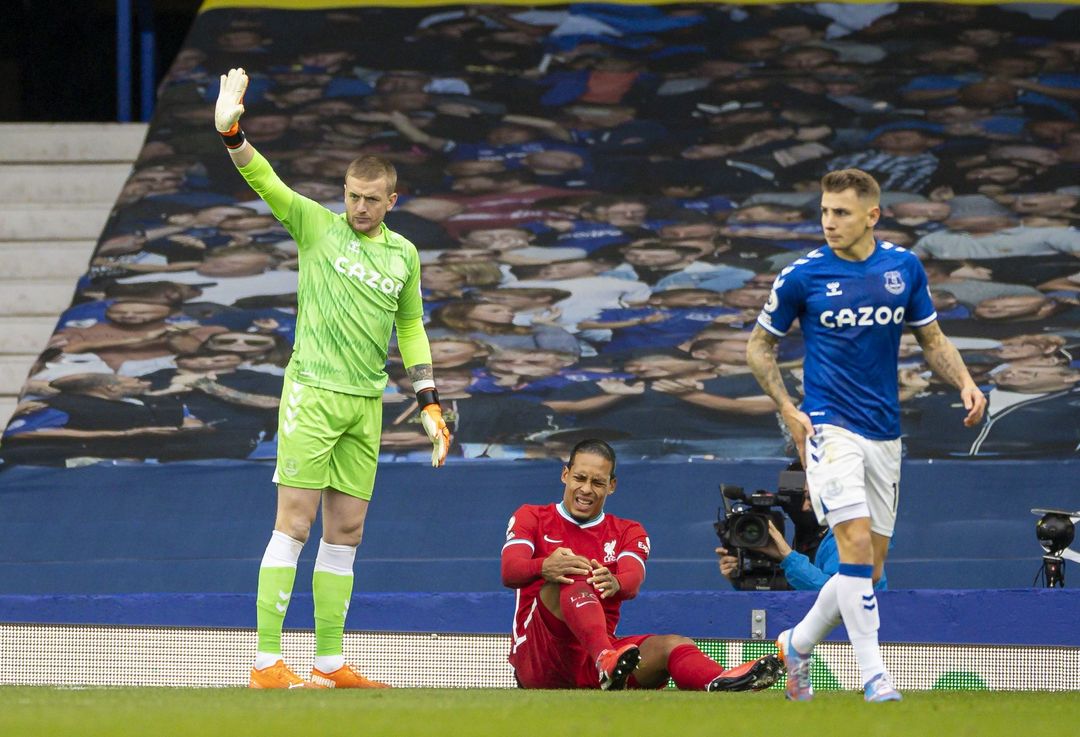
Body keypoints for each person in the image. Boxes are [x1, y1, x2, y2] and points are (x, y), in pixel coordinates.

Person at [215, 68, 452, 689]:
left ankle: (327, 662)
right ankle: (265, 662)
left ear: (392, 201)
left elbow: (410, 327)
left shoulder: (404, 255)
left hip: (365, 403)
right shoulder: (316, 226)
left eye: (371, 199)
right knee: (293, 524)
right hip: (312, 394)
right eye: (352, 195)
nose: (359, 207)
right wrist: (232, 132)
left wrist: (428, 399)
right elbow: (265, 180)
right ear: (342, 193)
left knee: (346, 532)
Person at [745, 168, 986, 702]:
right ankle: (875, 676)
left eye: (841, 212)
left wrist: (966, 382)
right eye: (824, 211)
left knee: (869, 572)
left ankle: (795, 644)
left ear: (872, 215)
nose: (828, 222)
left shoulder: (903, 268)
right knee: (851, 543)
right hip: (829, 427)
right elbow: (758, 346)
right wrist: (787, 408)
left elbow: (932, 338)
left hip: (884, 434)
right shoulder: (801, 276)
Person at [501, 438, 782, 691]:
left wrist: (616, 582)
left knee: (673, 645)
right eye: (579, 478)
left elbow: (632, 580)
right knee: (572, 571)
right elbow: (510, 571)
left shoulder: (628, 530)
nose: (586, 489)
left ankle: (719, 681)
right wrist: (543, 567)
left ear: (611, 486)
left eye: (597, 482)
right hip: (539, 658)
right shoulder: (532, 516)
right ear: (565, 475)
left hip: (604, 661)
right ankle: (604, 659)